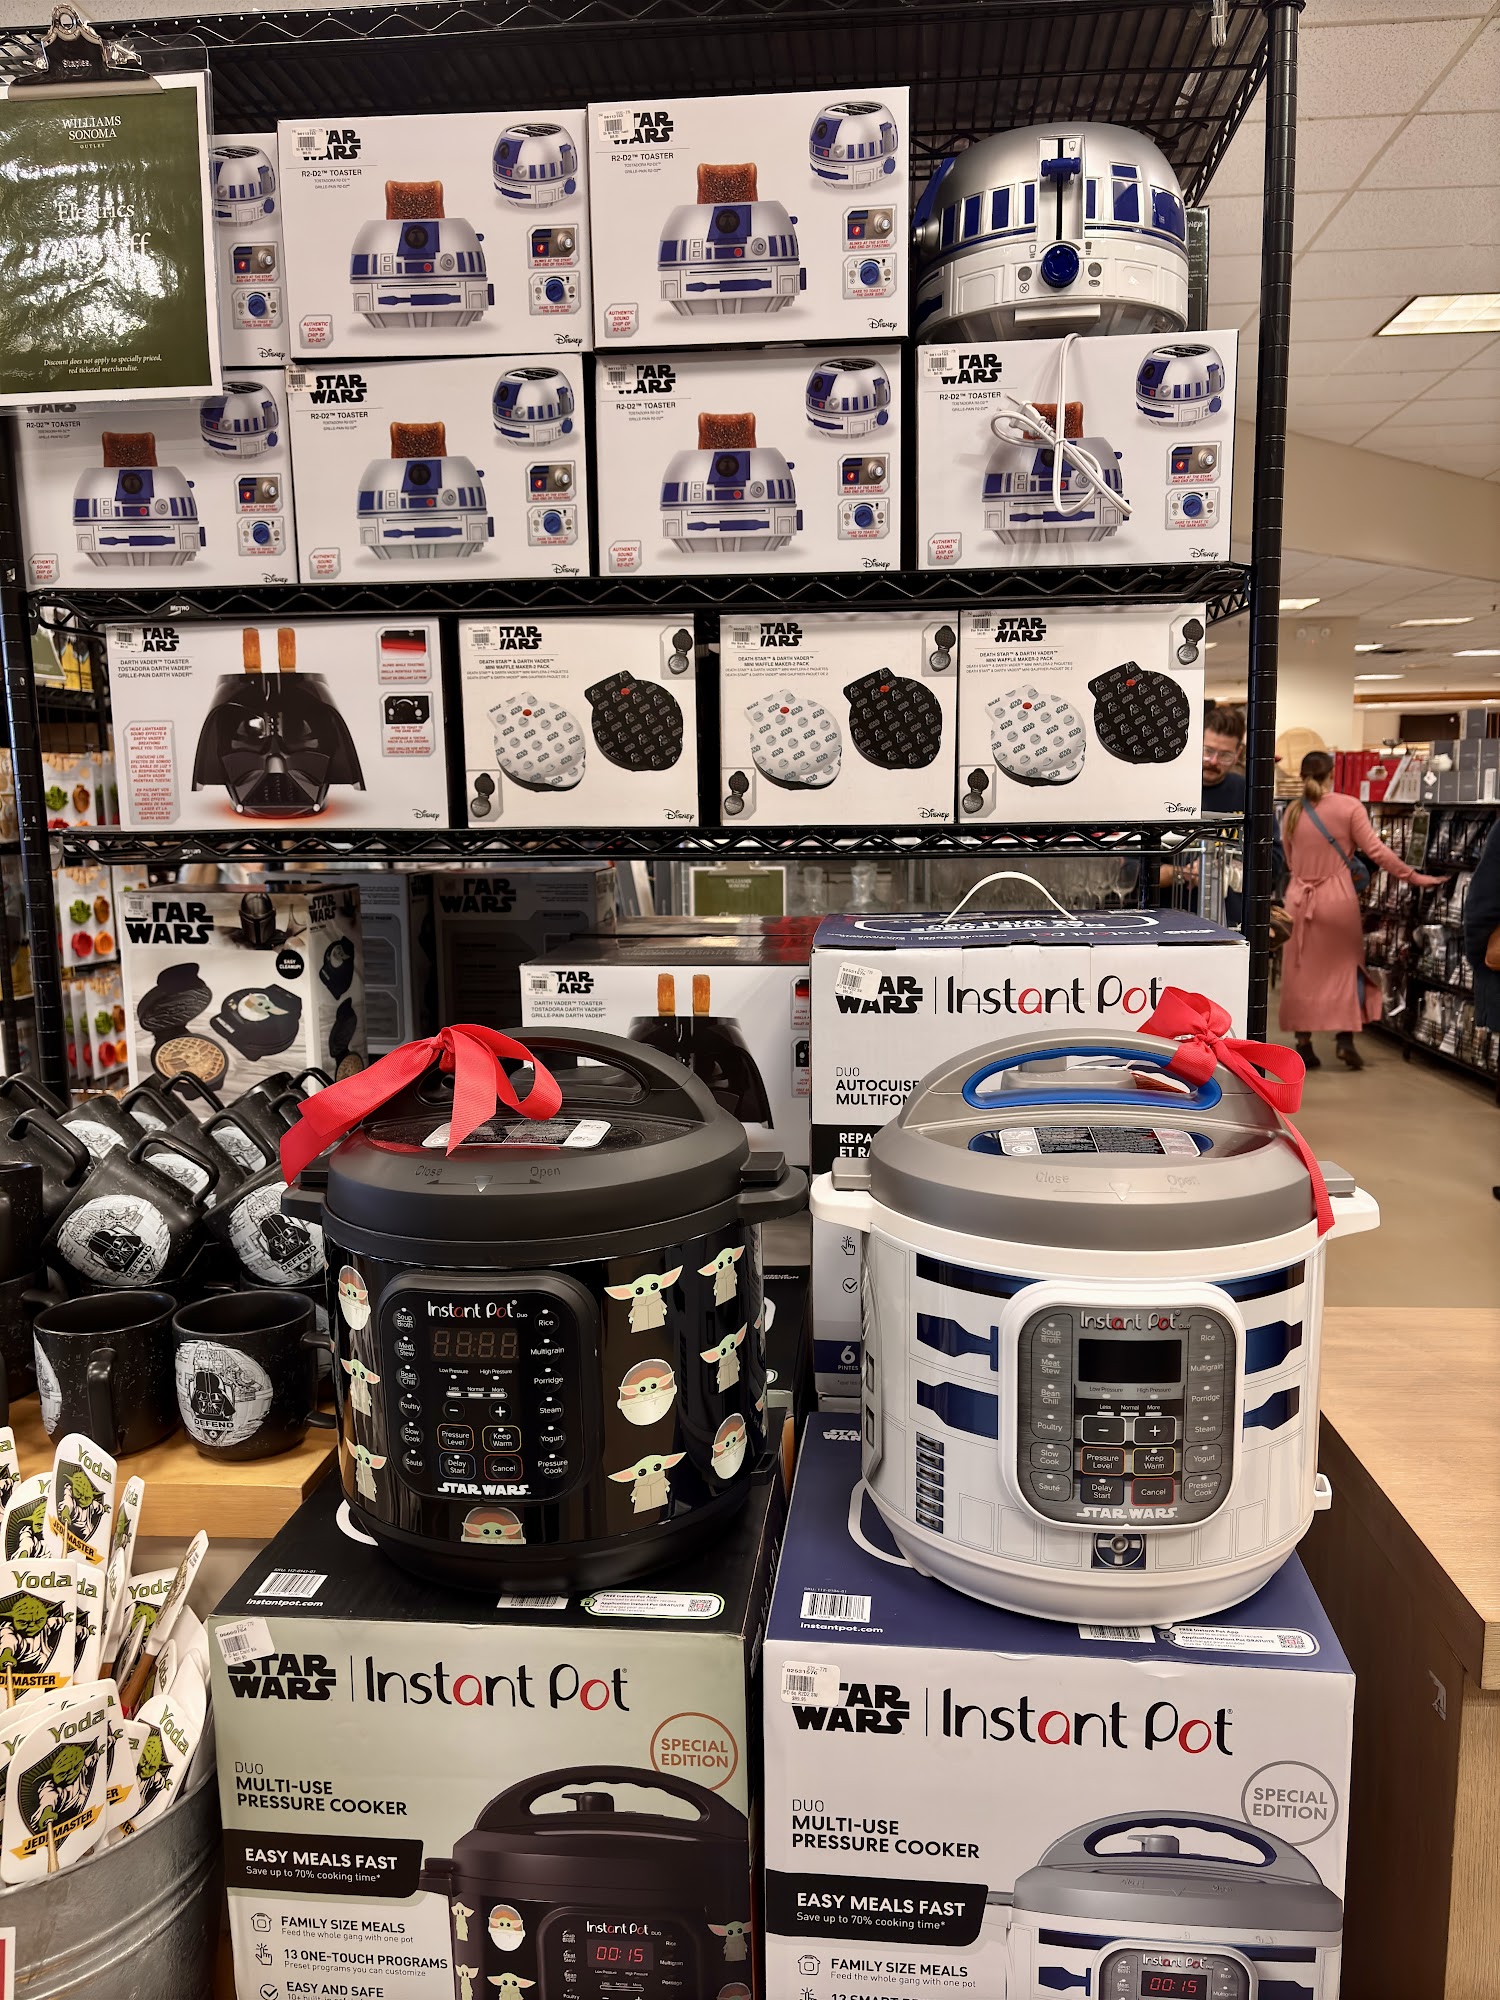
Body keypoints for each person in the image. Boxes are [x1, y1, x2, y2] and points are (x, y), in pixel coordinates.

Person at [1278, 750, 1445, 1069]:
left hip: (1299, 900)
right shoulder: (1349, 807)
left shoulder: (1292, 812)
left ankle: (1304, 1044)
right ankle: (1345, 1039)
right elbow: (1377, 852)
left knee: (1300, 974)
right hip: (1337, 900)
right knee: (1346, 969)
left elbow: (1289, 860)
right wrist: (1413, 876)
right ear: (1332, 774)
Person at [1159, 704, 1247, 917]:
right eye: (1208, 751)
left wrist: (1224, 868)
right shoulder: (1163, 789)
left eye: (1225, 755)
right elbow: (1131, 870)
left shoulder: (1248, 793)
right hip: (1168, 919)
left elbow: (1273, 862)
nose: (1214, 762)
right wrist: (1183, 873)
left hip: (1230, 921)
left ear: (1238, 753)